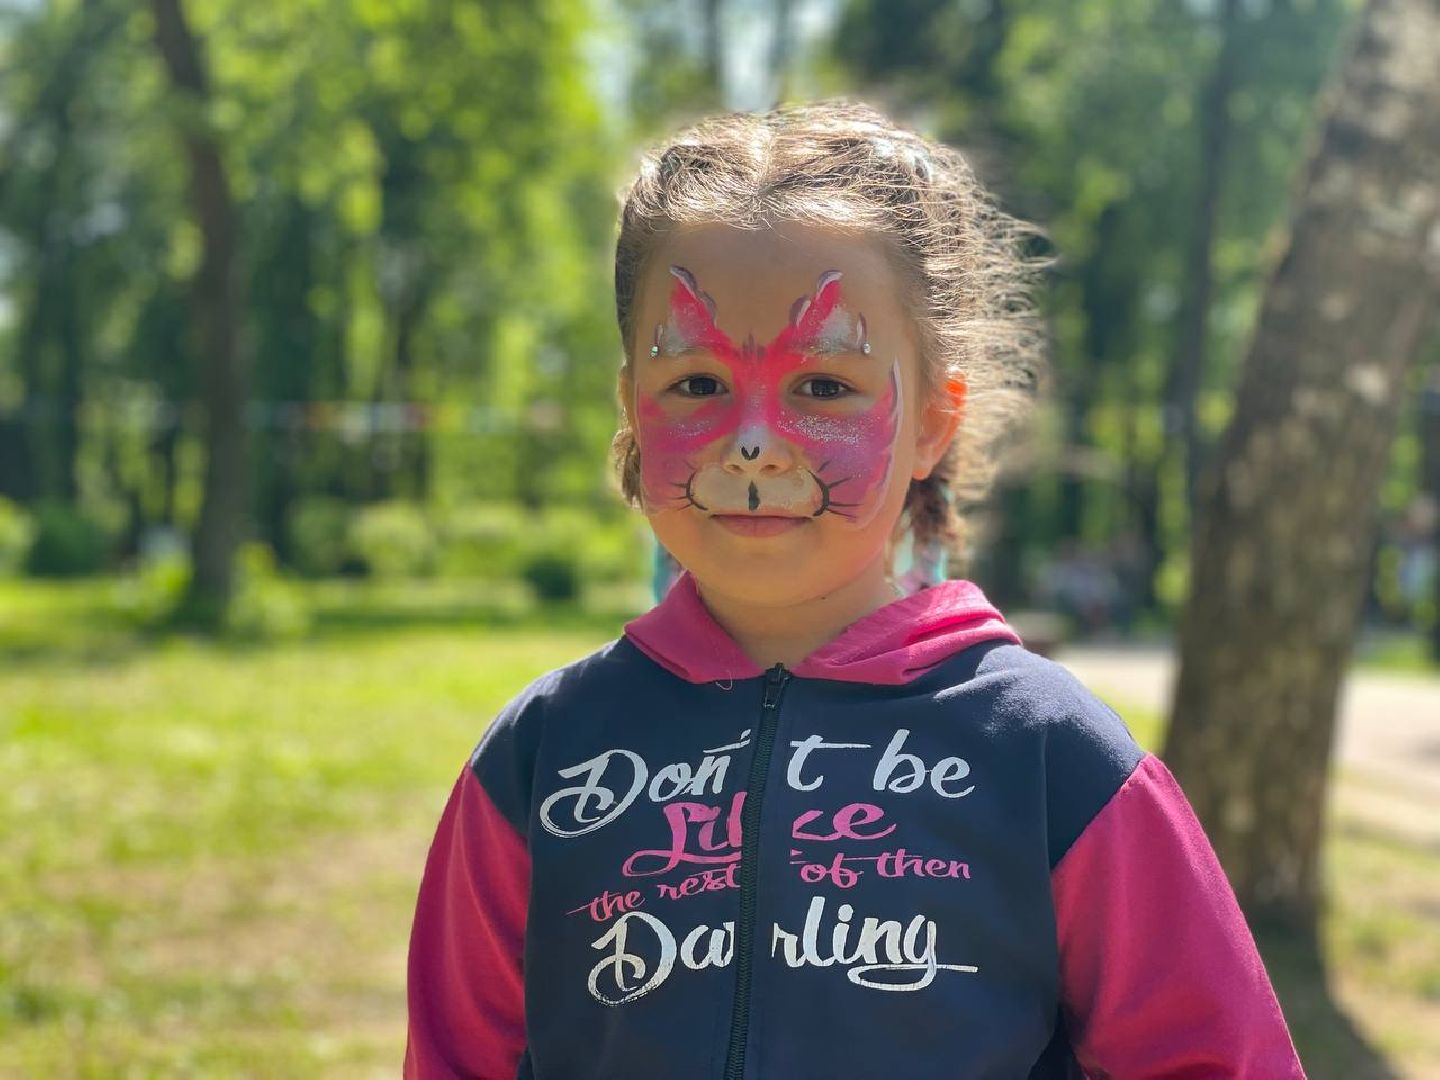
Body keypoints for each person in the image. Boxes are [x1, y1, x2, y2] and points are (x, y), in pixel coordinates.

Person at [404, 102, 1303, 1079]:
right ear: (631, 405)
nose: (753, 440)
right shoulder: (542, 759)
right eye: (698, 385)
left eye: (823, 387)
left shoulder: (1053, 761)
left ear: (931, 423)